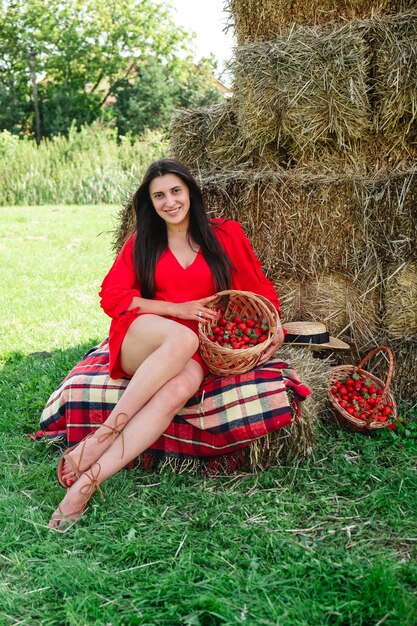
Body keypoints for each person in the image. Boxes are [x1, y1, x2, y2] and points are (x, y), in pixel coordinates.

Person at [48, 158, 284, 530]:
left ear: (190, 191)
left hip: (196, 349)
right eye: (159, 195)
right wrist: (179, 310)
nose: (169, 201)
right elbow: (113, 296)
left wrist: (277, 326)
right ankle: (103, 436)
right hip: (143, 338)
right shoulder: (143, 242)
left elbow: (259, 289)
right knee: (182, 334)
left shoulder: (226, 235)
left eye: (176, 191)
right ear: (150, 202)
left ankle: (88, 482)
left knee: (178, 390)